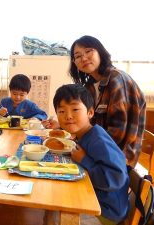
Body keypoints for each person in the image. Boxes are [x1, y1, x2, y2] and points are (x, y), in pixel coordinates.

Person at [43, 35, 146, 166]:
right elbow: (88, 123)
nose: (84, 58)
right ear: (75, 63)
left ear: (100, 52)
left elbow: (118, 134)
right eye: (78, 56)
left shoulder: (117, 80)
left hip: (115, 163)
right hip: (95, 153)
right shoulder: (90, 86)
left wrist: (85, 153)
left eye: (88, 51)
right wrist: (63, 126)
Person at [54, 84, 129, 224]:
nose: (68, 116)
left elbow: (117, 178)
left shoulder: (98, 139)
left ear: (90, 112)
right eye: (61, 111)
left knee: (58, 216)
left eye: (75, 109)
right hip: (93, 199)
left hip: (106, 212)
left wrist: (84, 160)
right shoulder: (84, 135)